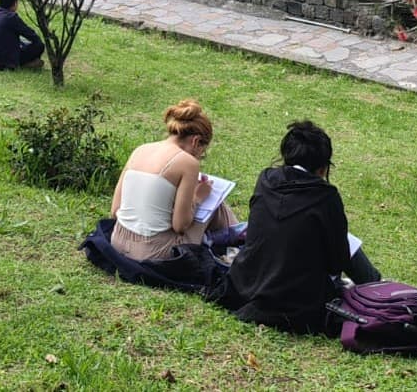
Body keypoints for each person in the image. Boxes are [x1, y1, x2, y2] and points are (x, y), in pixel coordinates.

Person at [208, 120, 381, 335]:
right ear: (322, 167)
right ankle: (376, 288)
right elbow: (337, 262)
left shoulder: (266, 180)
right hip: (299, 302)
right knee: (345, 241)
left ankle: (375, 285)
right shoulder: (326, 197)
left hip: (247, 284)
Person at [109, 99, 237, 263]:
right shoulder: (188, 162)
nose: (200, 157)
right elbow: (180, 226)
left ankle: (236, 239)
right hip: (154, 252)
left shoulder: (140, 150)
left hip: (118, 241)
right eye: (202, 152)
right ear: (196, 141)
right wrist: (197, 198)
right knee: (214, 202)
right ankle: (242, 243)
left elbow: (115, 210)